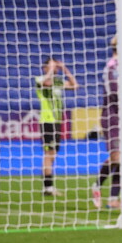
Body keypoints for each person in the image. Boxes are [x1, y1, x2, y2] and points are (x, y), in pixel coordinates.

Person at [35, 57, 79, 196]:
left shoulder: (58, 81)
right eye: (51, 66)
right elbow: (45, 83)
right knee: (49, 154)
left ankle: (48, 185)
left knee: (53, 154)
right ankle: (47, 188)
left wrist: (64, 69)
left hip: (57, 122)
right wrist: (51, 71)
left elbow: (74, 85)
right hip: (47, 121)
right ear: (45, 68)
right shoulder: (39, 79)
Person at [92, 36, 122, 209]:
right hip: (112, 116)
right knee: (117, 157)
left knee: (121, 159)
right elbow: (114, 91)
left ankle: (110, 195)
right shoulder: (113, 66)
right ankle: (105, 192)